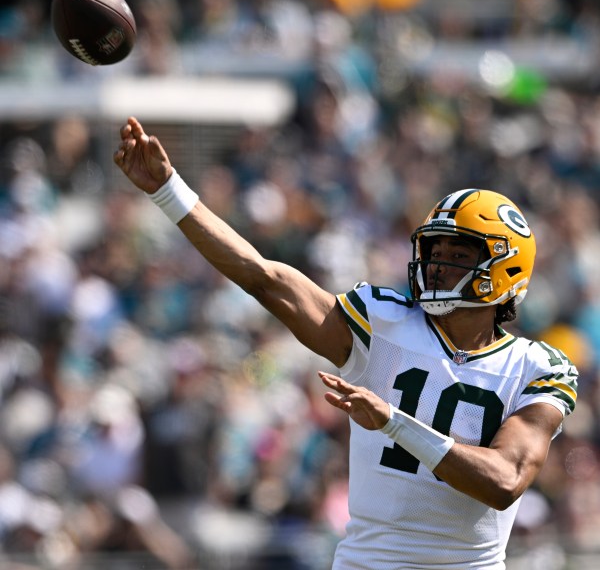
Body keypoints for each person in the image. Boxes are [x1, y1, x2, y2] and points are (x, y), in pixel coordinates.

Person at [114, 117, 577, 569]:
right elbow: (264, 277)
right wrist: (168, 192)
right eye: (434, 252)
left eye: (457, 256)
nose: (437, 267)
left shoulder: (536, 367)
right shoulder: (384, 321)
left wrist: (393, 423)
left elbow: (505, 480)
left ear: (505, 270)